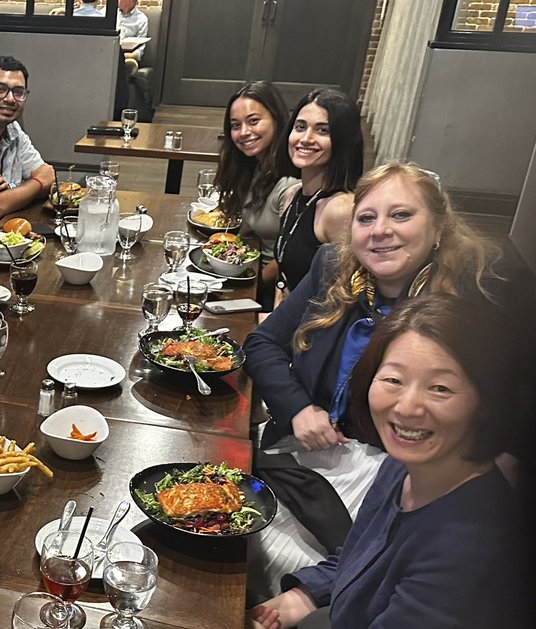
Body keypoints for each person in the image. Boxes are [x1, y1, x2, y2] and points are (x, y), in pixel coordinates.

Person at [222, 295, 524, 629]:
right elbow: (359, 555)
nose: (407, 407)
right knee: (226, 623)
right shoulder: (409, 465)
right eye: (393, 379)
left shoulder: (471, 544)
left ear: (485, 399)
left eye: (441, 388)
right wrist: (302, 597)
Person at [244, 162, 499, 598]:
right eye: (367, 217)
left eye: (401, 215)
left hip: (395, 474)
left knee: (272, 565)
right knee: (223, 526)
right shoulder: (332, 267)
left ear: (438, 227)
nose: (381, 230)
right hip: (301, 451)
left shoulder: (465, 306)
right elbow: (261, 345)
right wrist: (300, 408)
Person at [274, 88, 363, 298]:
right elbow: (284, 279)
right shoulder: (291, 195)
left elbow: (342, 297)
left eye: (322, 130)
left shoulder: (341, 209)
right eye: (300, 127)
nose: (305, 138)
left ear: (342, 141)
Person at [214, 81, 298, 299]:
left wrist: (246, 285)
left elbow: (287, 259)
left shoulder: (291, 182)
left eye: (253, 121)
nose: (244, 132)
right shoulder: (255, 166)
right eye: (235, 125)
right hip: (243, 267)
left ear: (277, 120)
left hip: (267, 289)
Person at [0, 56, 56, 223]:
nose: (10, 99)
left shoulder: (12, 128)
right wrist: (36, 183)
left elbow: (49, 178)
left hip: (11, 227)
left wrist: (12, 192)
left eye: (18, 92)